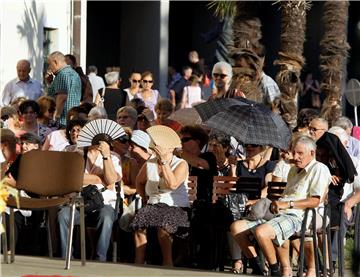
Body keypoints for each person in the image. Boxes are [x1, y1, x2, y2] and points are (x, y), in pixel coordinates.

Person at [231, 135, 331, 277]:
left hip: (299, 215)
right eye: (294, 152)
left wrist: (287, 204)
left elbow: (314, 201)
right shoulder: (293, 170)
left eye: (300, 153)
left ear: (312, 153)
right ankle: (257, 268)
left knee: (262, 232)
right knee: (236, 227)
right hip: (281, 213)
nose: (295, 157)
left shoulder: (319, 169)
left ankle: (275, 271)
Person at [132, 125, 189, 267]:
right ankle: (138, 262)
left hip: (175, 206)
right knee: (139, 224)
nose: (157, 147)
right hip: (153, 204)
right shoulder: (150, 163)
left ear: (170, 148)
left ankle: (167, 262)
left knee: (164, 225)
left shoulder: (181, 163)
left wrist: (164, 162)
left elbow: (173, 184)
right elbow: (139, 182)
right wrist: (145, 199)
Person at [58, 138, 122, 262]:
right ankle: (66, 257)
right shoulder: (75, 152)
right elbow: (69, 177)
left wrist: (106, 155)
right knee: (63, 216)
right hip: (78, 201)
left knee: (106, 216)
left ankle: (100, 259)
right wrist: (99, 178)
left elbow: (110, 180)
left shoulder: (114, 156)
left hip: (103, 202)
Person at [47, 51, 81, 127]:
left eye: (49, 64)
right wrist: (51, 83)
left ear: (55, 62)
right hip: (71, 118)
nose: (49, 67)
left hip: (62, 121)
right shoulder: (73, 73)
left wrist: (55, 117)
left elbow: (62, 97)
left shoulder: (63, 74)